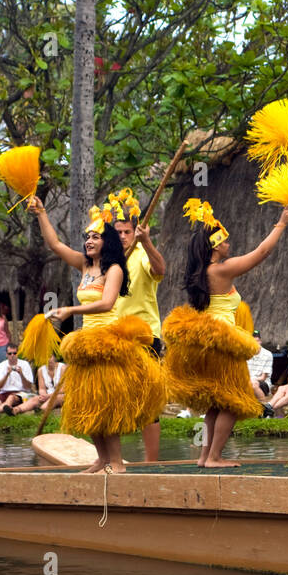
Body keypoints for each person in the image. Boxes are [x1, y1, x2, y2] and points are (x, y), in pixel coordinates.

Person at [27, 193, 165, 473]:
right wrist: (41, 212)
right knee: (87, 402)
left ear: (107, 242)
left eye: (96, 237)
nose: (89, 241)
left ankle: (116, 463)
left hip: (108, 343)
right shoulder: (84, 265)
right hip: (87, 343)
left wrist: (70, 311)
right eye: (87, 236)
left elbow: (107, 304)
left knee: (104, 404)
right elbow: (54, 244)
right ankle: (101, 459)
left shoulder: (114, 268)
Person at [164, 198, 288, 468]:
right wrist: (281, 223)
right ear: (214, 246)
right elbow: (261, 253)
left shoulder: (202, 273)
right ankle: (214, 456)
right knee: (233, 403)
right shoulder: (222, 270)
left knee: (216, 403)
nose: (229, 244)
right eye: (224, 241)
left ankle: (205, 457)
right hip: (224, 345)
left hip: (209, 345)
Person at [111, 190, 168, 461]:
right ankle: (113, 458)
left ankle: (151, 461)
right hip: (115, 337)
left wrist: (146, 242)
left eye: (127, 232)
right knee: (114, 396)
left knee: (148, 400)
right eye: (118, 232)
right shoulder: (108, 260)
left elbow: (160, 270)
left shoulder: (141, 254)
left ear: (135, 232)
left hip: (145, 338)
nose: (123, 236)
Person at [247, 331, 275, 404]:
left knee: (253, 383)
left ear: (260, 341)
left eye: (257, 341)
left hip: (263, 383)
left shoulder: (267, 354)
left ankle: (265, 408)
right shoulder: (246, 353)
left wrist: (249, 380)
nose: (255, 344)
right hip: (247, 381)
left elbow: (263, 377)